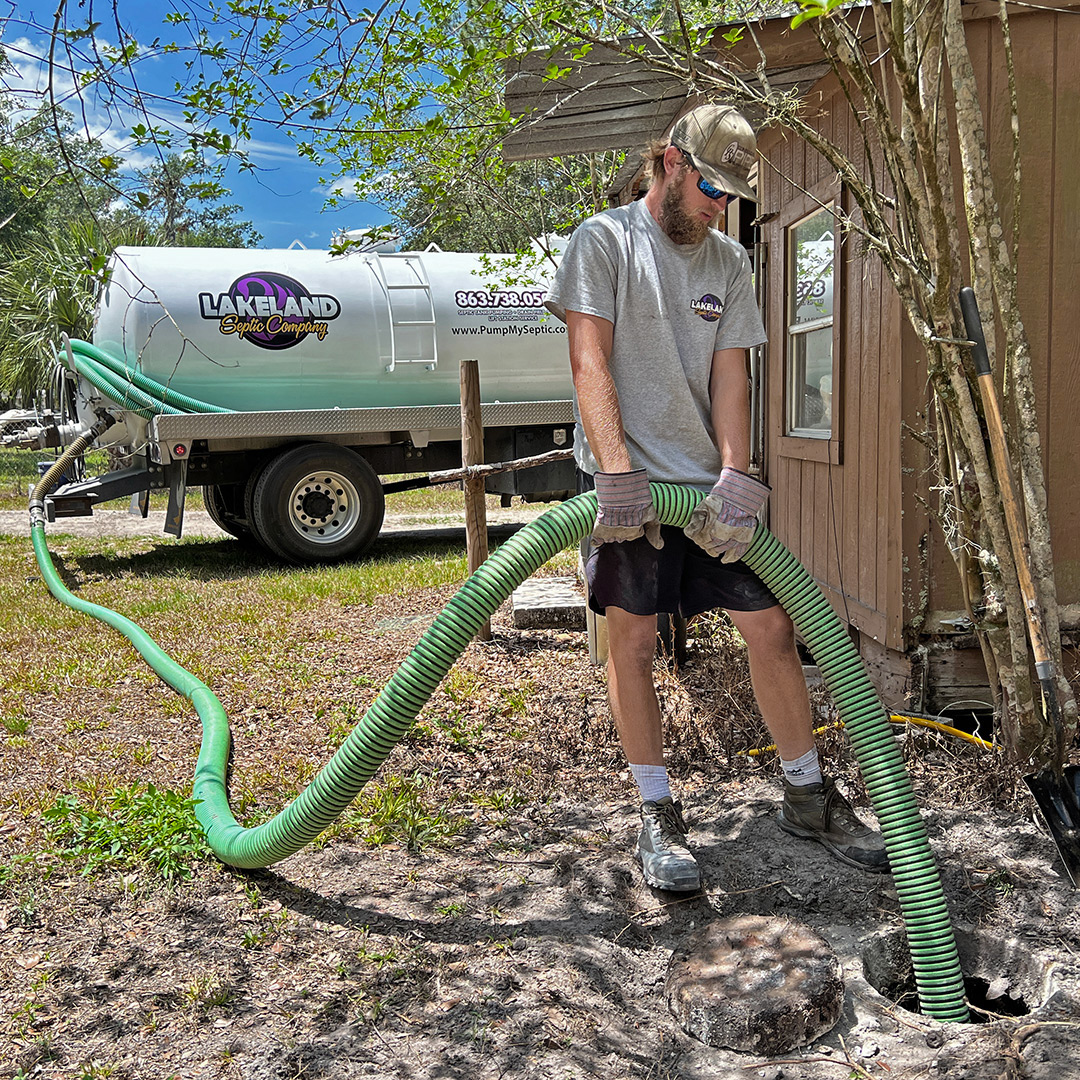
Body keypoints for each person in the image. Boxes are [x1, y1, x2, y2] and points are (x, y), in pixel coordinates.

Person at [544, 102, 888, 891]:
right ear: (670, 162)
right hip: (626, 488)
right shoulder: (604, 241)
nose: (719, 206)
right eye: (709, 187)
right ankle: (656, 814)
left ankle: (807, 796)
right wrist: (615, 470)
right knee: (634, 645)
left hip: (704, 495)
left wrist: (737, 472)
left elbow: (732, 376)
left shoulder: (730, 263)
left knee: (771, 627)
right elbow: (588, 359)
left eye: (731, 195)